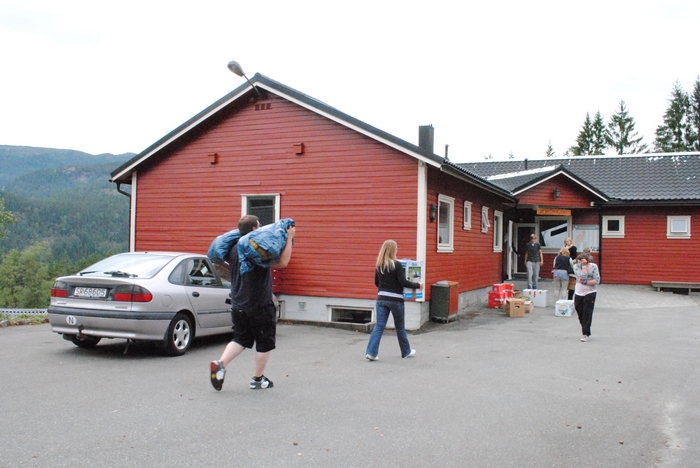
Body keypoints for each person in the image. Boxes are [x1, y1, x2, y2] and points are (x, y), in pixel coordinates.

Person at [210, 215, 295, 391]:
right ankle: (258, 379)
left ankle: (220, 364)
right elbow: (282, 263)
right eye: (259, 225)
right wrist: (289, 239)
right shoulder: (255, 247)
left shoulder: (233, 248)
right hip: (259, 304)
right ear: (255, 229)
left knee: (240, 339)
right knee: (264, 342)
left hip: (238, 303)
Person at [365, 240, 424, 361]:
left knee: (379, 326)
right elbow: (403, 282)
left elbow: (376, 283)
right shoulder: (397, 265)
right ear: (393, 251)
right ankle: (406, 351)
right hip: (396, 300)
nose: (397, 251)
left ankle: (371, 352)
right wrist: (418, 285)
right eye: (396, 249)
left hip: (381, 299)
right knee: (400, 327)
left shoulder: (379, 265)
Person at [573, 252, 600, 342]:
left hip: (590, 292)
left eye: (582, 261)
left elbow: (596, 280)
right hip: (579, 292)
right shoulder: (576, 266)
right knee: (579, 311)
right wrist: (583, 268)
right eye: (579, 261)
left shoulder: (594, 267)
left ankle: (586, 333)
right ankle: (584, 327)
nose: (580, 262)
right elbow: (581, 275)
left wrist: (585, 282)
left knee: (587, 313)